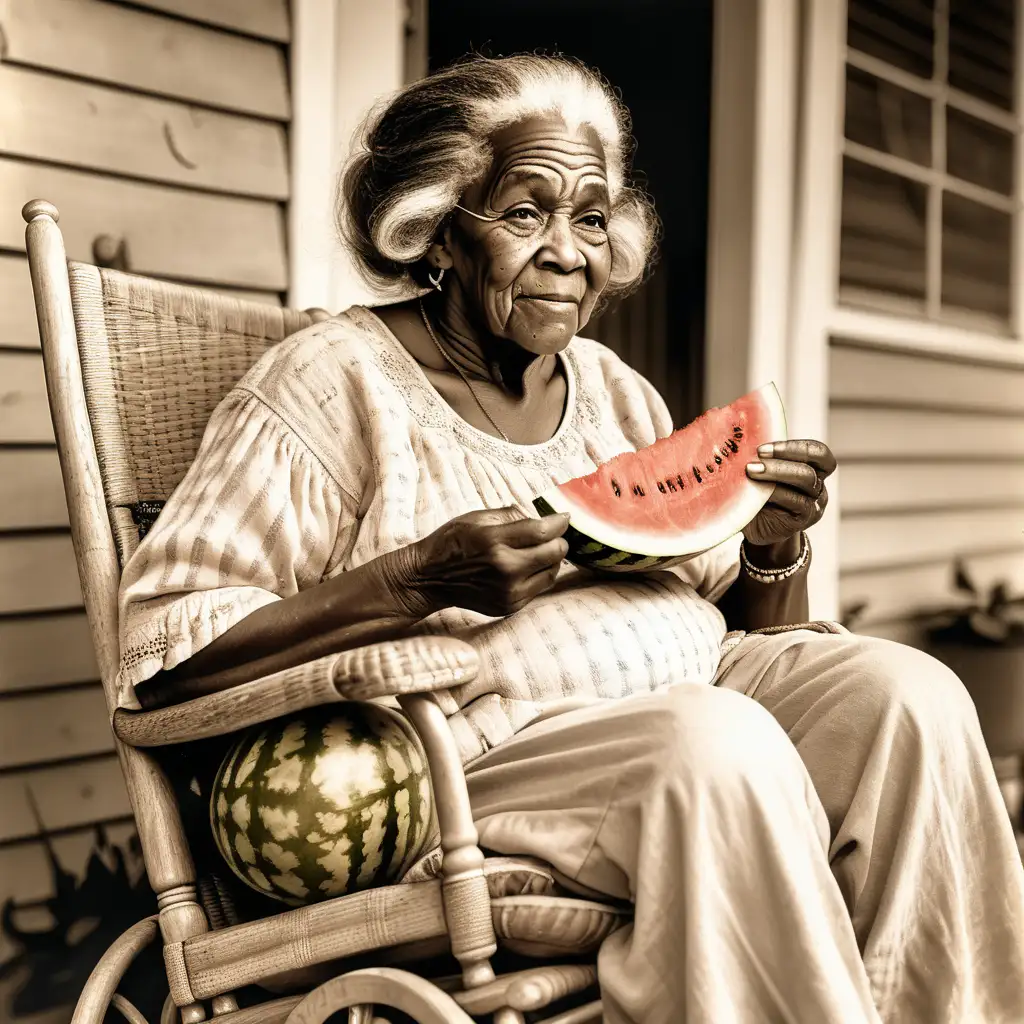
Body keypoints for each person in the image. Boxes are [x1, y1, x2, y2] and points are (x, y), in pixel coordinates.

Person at [117, 53, 1024, 1024]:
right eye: (523, 214)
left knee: (907, 694)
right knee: (712, 745)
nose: (567, 251)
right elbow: (165, 653)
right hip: (480, 762)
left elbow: (749, 621)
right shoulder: (328, 382)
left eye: (590, 218)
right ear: (436, 233)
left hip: (701, 693)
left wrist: (766, 544)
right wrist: (417, 578)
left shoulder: (610, 387)